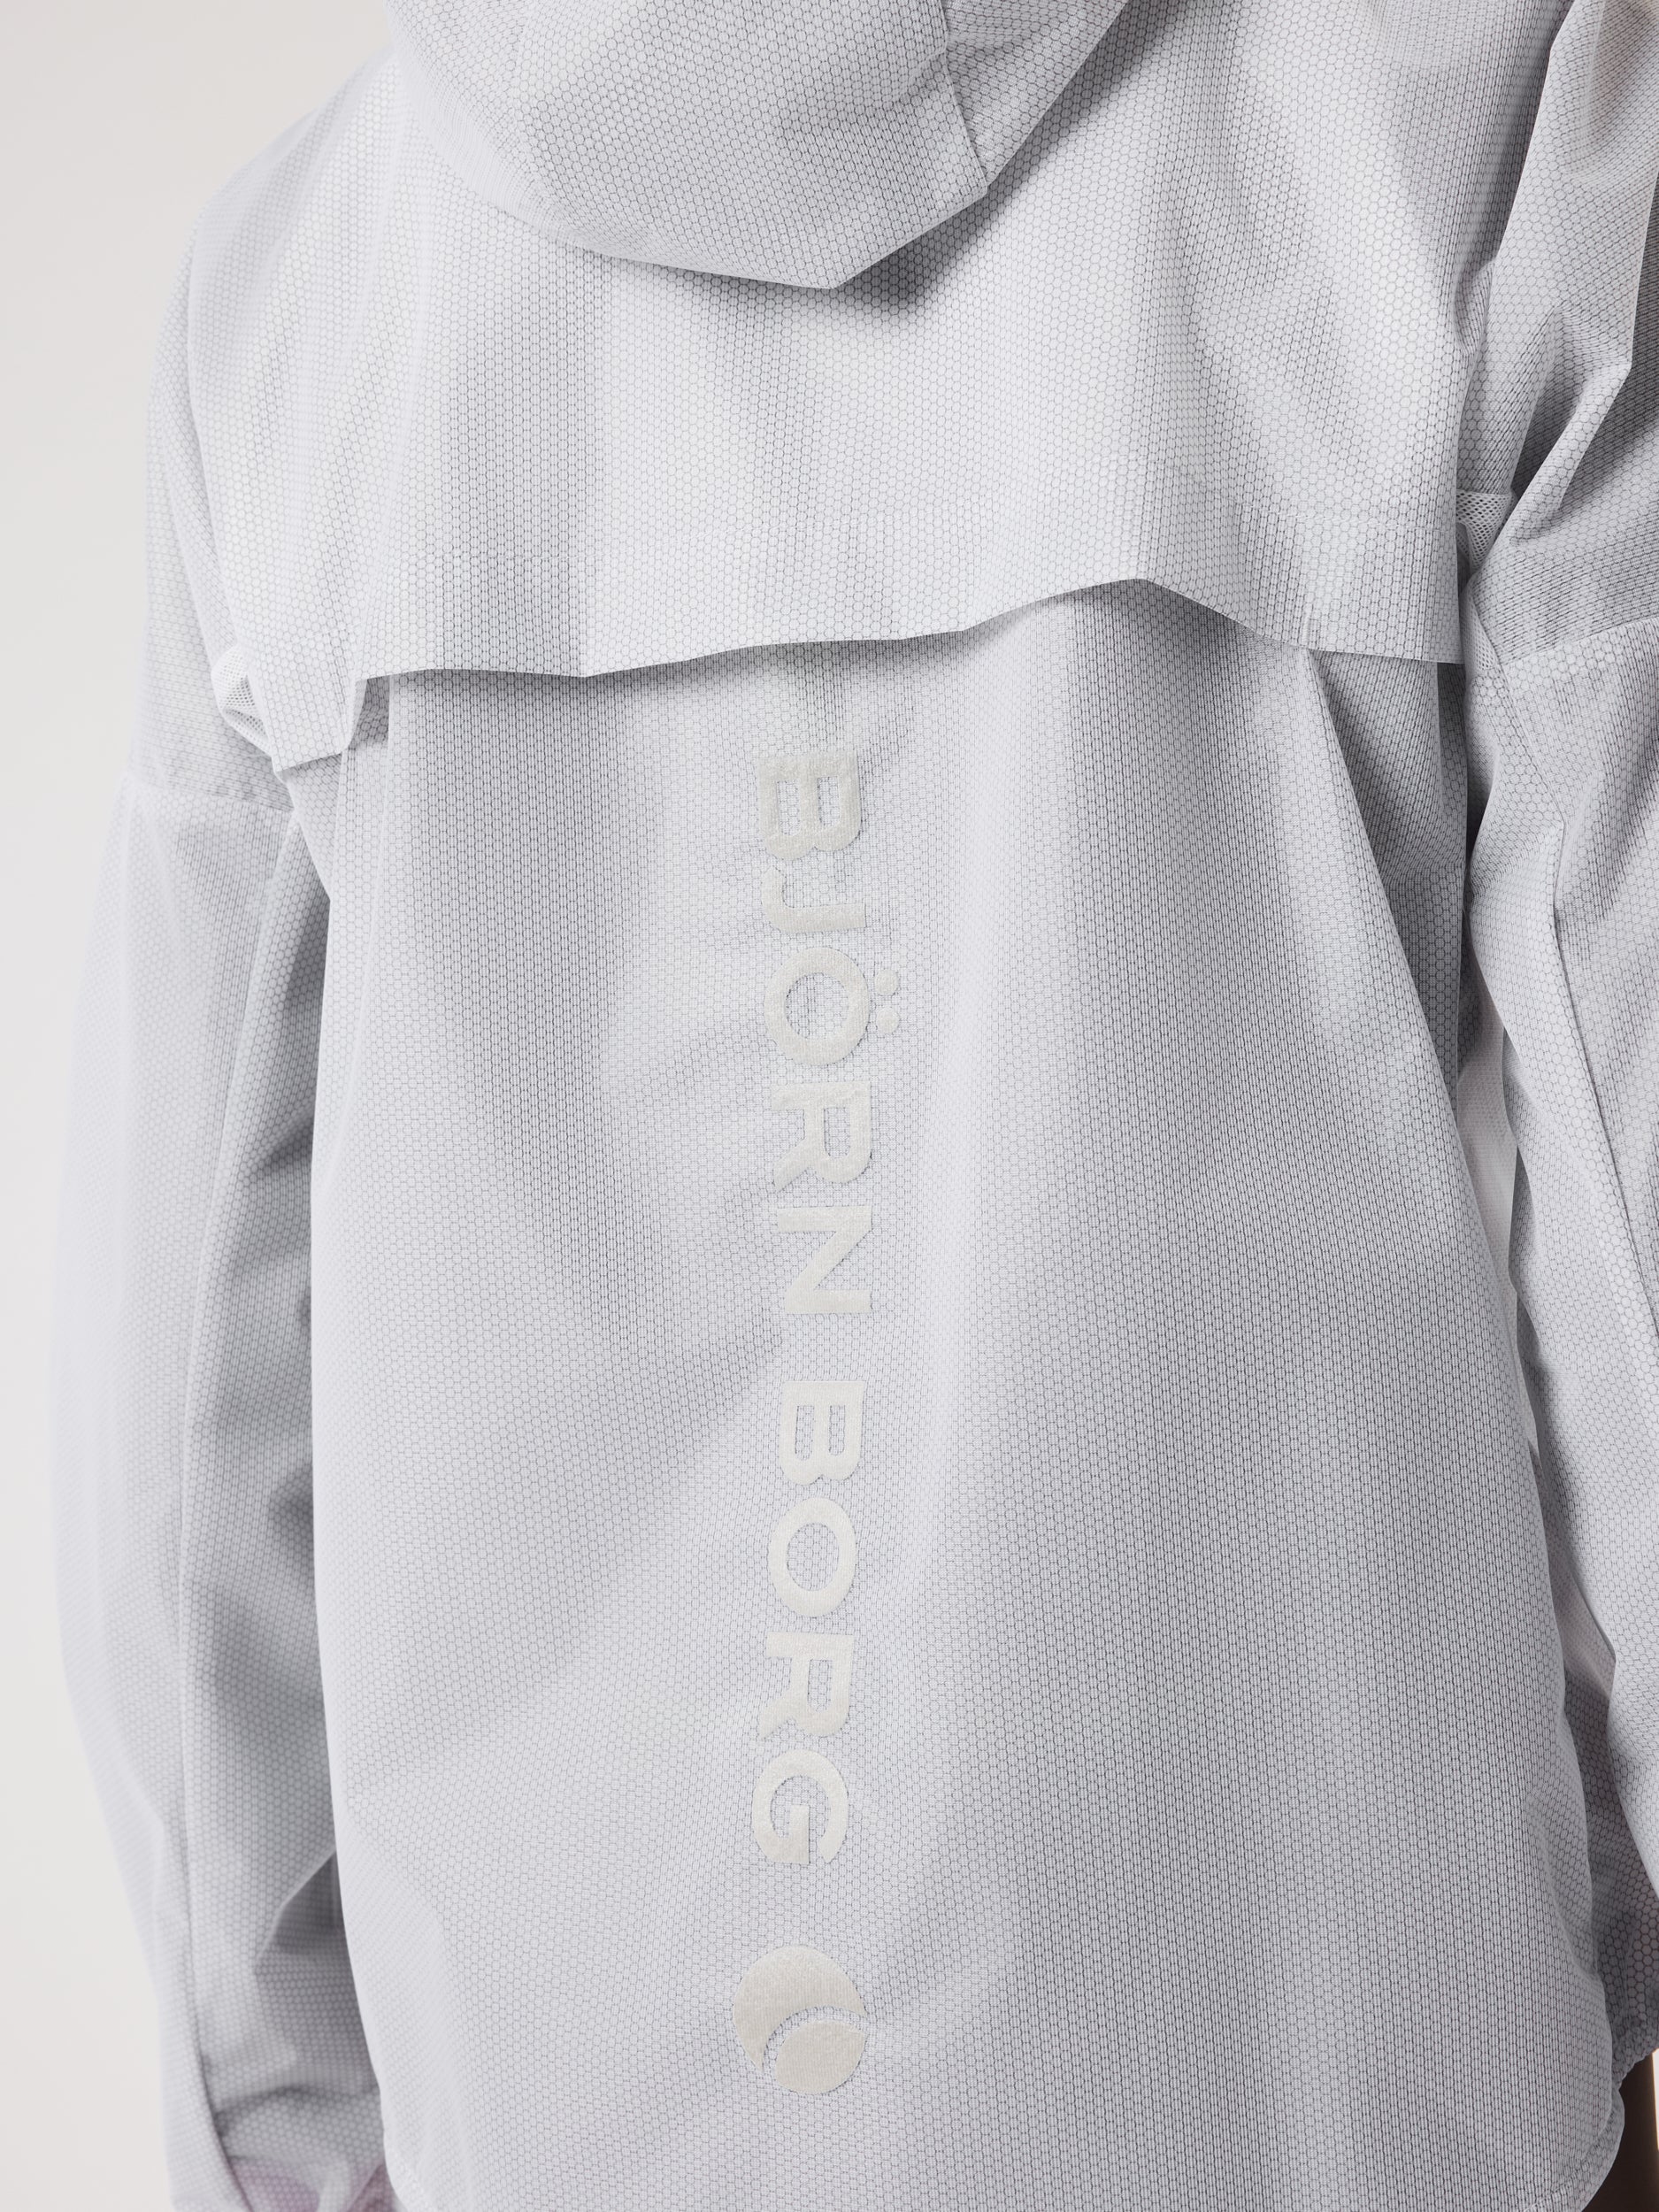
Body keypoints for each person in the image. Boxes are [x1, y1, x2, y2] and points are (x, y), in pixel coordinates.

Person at [50, 3, 1659, 2208]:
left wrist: (290, 2138)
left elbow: (183, 1417)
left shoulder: (295, 288)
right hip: (1367, 2111)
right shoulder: (1484, 103)